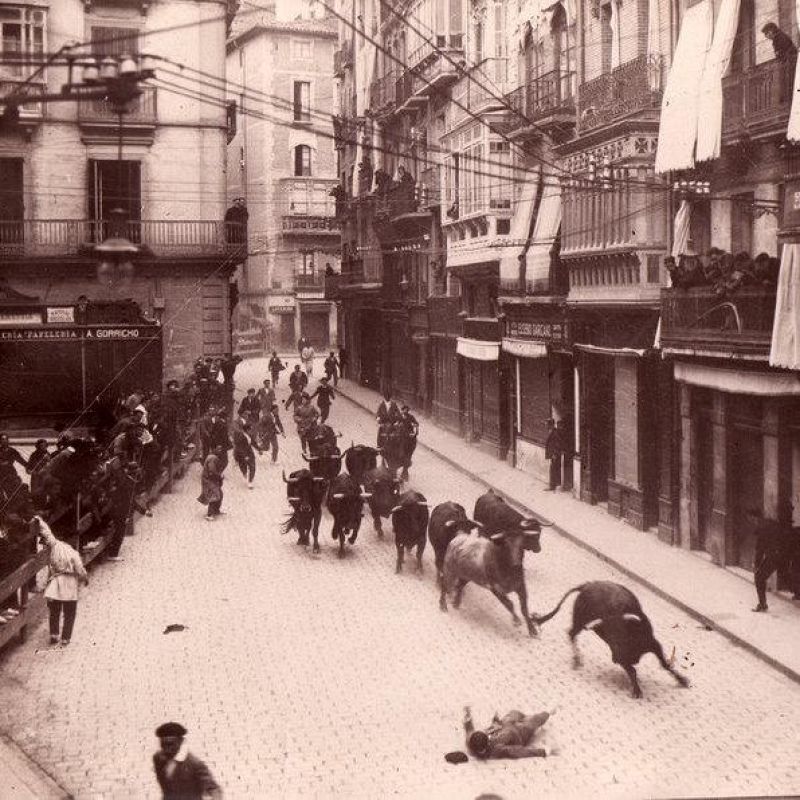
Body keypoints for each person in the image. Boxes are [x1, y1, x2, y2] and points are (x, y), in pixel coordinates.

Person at [36, 516, 88, 646]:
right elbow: (80, 569)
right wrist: (85, 578)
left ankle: (54, 634)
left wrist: (40, 521)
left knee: (54, 610)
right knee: (70, 612)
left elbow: (47, 532)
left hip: (56, 582)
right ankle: (66, 637)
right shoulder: (74, 553)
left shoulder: (55, 545)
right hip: (69, 583)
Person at [153, 722, 222, 800]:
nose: (166, 749)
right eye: (163, 745)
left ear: (181, 741)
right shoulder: (158, 758)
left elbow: (213, 789)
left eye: (170, 744)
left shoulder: (194, 764)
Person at [748, 508, 800, 612]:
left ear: (753, 517)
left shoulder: (761, 527)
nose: (749, 521)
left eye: (749, 518)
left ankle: (762, 604)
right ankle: (798, 592)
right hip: (783, 555)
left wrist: (756, 565)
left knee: (759, 577)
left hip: (774, 556)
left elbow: (759, 549)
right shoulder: (771, 522)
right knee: (785, 577)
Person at [463, 706, 552, 760]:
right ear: (484, 749)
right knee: (533, 721)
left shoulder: (470, 743)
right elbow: (517, 751)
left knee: (515, 713)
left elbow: (469, 731)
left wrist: (468, 719)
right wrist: (543, 752)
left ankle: (525, 716)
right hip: (519, 734)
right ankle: (548, 712)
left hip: (503, 725)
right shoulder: (496, 749)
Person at [199, 445, 226, 520]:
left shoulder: (214, 457)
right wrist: (219, 476)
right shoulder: (212, 458)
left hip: (211, 479)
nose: (220, 451)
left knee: (220, 494)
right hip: (208, 479)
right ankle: (209, 514)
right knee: (214, 495)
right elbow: (212, 471)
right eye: (219, 449)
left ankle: (216, 510)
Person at [231, 419, 256, 488]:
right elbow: (239, 448)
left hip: (250, 453)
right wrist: (245, 456)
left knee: (252, 466)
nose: (252, 431)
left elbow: (253, 443)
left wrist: (259, 449)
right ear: (247, 430)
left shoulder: (250, 435)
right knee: (243, 467)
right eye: (250, 429)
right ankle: (244, 474)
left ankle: (250, 481)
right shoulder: (241, 437)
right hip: (241, 454)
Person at [398, 405, 418, 481]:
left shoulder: (411, 417)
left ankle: (405, 471)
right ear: (402, 410)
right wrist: (398, 424)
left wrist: (414, 424)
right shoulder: (399, 417)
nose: (405, 411)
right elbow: (395, 423)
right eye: (404, 410)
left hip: (409, 434)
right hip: (401, 434)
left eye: (406, 410)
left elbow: (416, 423)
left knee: (412, 444)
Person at [544, 418, 563, 492]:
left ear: (551, 425)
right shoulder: (551, 431)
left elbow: (558, 444)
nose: (546, 426)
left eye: (547, 424)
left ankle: (553, 486)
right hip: (552, 454)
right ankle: (553, 485)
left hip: (555, 455)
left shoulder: (555, 432)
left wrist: (555, 454)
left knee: (554, 469)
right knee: (553, 469)